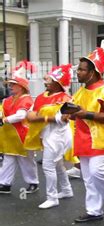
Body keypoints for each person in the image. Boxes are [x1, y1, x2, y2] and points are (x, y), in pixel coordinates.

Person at [70, 38, 104, 223]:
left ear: (92, 72)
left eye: (81, 69)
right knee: (89, 178)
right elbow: (77, 111)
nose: (77, 72)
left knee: (98, 173)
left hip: (102, 140)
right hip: (84, 140)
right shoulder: (80, 92)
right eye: (78, 69)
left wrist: (85, 114)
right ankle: (94, 211)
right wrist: (70, 114)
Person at [24, 64, 74, 209]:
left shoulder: (66, 98)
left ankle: (52, 198)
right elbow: (30, 115)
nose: (46, 82)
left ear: (58, 84)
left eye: (50, 80)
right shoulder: (40, 97)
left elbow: (64, 119)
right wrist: (47, 118)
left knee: (47, 166)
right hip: (46, 133)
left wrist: (41, 118)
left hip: (59, 135)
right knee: (57, 164)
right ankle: (66, 189)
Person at [0, 61, 40, 194]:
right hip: (9, 135)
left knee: (26, 161)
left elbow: (21, 115)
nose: (10, 86)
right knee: (8, 159)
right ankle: (4, 184)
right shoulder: (7, 100)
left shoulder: (27, 99)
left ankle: (33, 182)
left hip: (22, 135)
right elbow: (2, 111)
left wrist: (4, 120)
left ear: (21, 87)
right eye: (10, 84)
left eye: (13, 84)